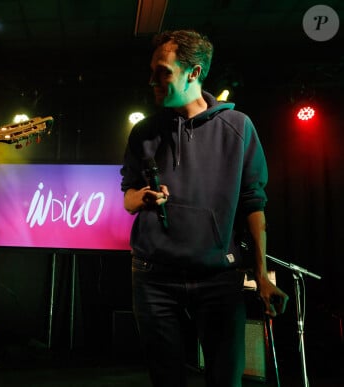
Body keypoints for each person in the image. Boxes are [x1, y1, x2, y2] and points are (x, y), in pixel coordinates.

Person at [120, 30, 289, 387]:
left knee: (226, 379)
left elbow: (253, 205)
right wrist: (144, 197)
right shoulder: (144, 132)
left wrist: (260, 275)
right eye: (152, 70)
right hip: (153, 277)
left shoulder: (238, 127)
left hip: (217, 278)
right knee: (166, 379)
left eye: (163, 71)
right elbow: (128, 197)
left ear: (193, 73)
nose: (152, 80)